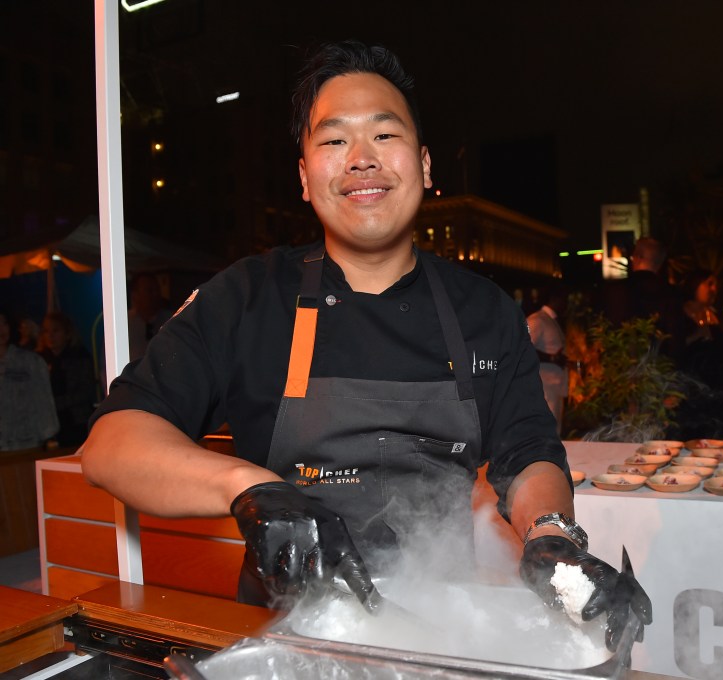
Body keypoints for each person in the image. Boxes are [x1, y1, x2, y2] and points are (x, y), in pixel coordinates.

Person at [80, 40, 649, 648]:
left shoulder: (482, 309)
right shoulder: (247, 298)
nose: (360, 159)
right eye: (333, 141)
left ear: (426, 167)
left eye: (384, 135)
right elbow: (112, 444)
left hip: (446, 630)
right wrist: (248, 490)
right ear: (304, 177)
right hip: (284, 636)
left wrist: (549, 536)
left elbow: (529, 452)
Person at [672, 268, 723, 439]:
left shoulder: (715, 316)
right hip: (690, 393)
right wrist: (698, 335)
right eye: (709, 284)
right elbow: (674, 350)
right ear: (695, 285)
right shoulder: (678, 314)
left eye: (716, 285)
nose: (713, 289)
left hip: (718, 394)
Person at [602, 236, 680, 356]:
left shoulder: (615, 291)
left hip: (622, 365)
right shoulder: (672, 294)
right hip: (660, 368)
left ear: (638, 258)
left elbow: (607, 334)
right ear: (659, 263)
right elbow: (675, 341)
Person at [0, 310, 59, 451]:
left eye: (4, 323)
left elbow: (44, 402)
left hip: (27, 445)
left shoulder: (30, 362)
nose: (1, 329)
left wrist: (49, 437)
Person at [38, 311, 98, 448]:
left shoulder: (79, 357)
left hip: (75, 423)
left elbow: (86, 391)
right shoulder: (38, 360)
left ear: (67, 333)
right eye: (46, 331)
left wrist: (57, 403)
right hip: (47, 425)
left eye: (56, 330)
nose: (50, 336)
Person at [526, 285, 569, 433]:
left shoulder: (551, 320)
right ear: (555, 299)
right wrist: (552, 358)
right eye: (565, 299)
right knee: (546, 431)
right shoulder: (537, 320)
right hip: (544, 386)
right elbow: (523, 348)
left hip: (555, 386)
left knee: (555, 429)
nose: (567, 303)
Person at [127, 272, 173, 362]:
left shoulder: (171, 320)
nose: (155, 294)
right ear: (135, 295)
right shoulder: (124, 322)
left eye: (157, 290)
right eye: (149, 290)